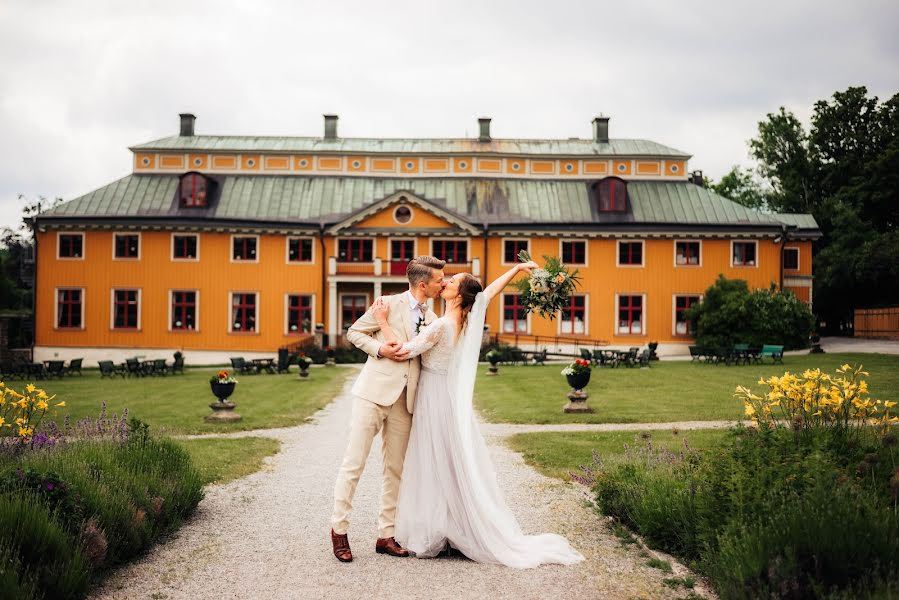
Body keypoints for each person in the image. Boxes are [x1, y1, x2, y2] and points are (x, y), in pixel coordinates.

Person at [371, 262, 585, 568]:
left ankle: (444, 528)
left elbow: (403, 350)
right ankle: (452, 526)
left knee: (434, 460)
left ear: (459, 296)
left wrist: (382, 321)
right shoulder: (467, 320)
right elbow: (489, 292)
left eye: (453, 282)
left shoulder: (442, 325)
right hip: (446, 396)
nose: (445, 283)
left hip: (433, 396)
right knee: (448, 460)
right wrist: (519, 268)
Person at [329, 256, 446, 563]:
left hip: (405, 401)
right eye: (438, 280)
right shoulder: (387, 304)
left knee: (395, 470)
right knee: (354, 463)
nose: (442, 284)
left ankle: (386, 535)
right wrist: (379, 348)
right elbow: (354, 332)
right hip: (372, 393)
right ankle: (339, 531)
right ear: (423, 284)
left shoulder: (432, 318)